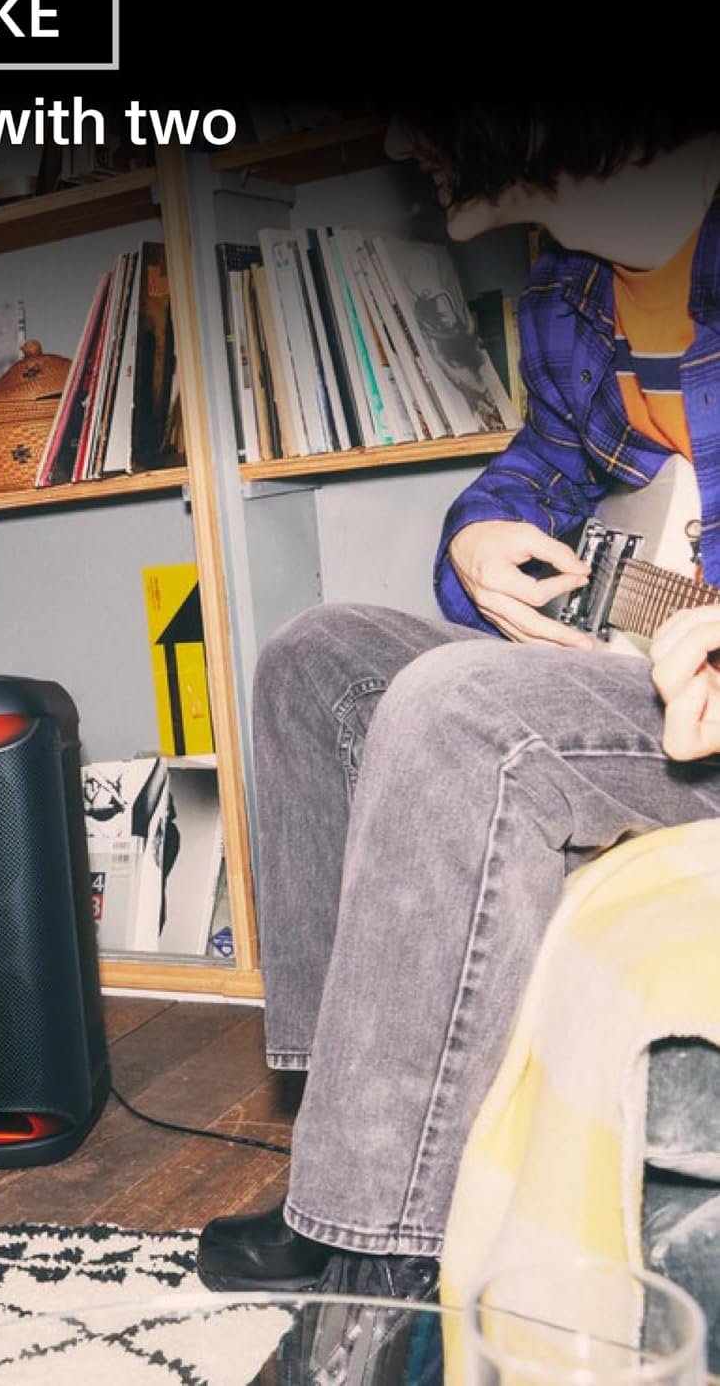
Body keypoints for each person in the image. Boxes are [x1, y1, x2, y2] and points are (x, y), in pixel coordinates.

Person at [196, 102, 720, 1300]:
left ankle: (387, 1238)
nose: (395, 144)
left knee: (462, 705)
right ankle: (338, 1145)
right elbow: (540, 463)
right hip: (650, 673)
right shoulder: (572, 289)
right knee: (316, 656)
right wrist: (480, 532)